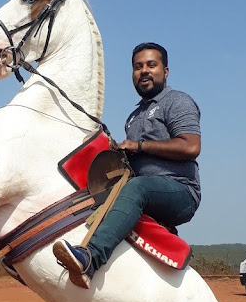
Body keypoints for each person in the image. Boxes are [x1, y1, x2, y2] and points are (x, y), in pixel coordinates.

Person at [53, 42, 201, 289]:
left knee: (138, 188)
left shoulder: (177, 101)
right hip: (144, 191)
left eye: (151, 65)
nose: (144, 71)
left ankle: (91, 259)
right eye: (137, 66)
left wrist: (138, 146)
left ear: (165, 71)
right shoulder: (133, 117)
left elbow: (191, 146)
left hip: (181, 192)